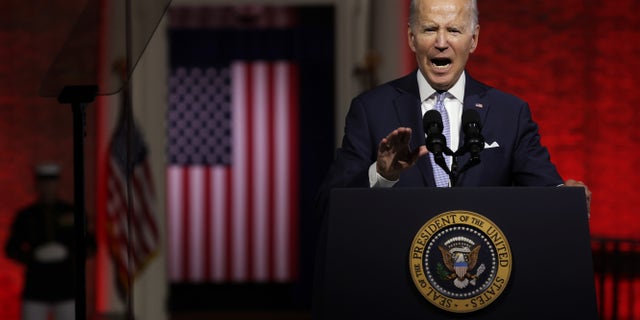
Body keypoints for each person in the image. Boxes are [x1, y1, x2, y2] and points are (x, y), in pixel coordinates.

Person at [316, 0, 591, 217]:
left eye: (454, 30)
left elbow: (545, 190)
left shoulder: (511, 113)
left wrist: (566, 198)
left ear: (473, 39)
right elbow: (330, 202)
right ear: (412, 38)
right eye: (429, 29)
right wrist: (382, 175)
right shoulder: (371, 109)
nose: (441, 42)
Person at [4, 163, 95, 320]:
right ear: (37, 185)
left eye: (51, 183)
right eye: (43, 183)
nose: (47, 187)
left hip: (67, 288)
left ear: (56, 184)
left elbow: (91, 246)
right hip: (36, 289)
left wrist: (68, 252)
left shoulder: (72, 212)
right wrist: (33, 255)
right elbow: (11, 249)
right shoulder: (26, 216)